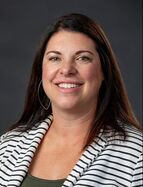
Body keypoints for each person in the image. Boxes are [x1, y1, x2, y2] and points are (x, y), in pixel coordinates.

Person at [0, 13, 142, 187]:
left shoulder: (136, 156)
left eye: (83, 58)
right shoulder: (7, 146)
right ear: (41, 71)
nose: (67, 69)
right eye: (55, 58)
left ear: (104, 71)